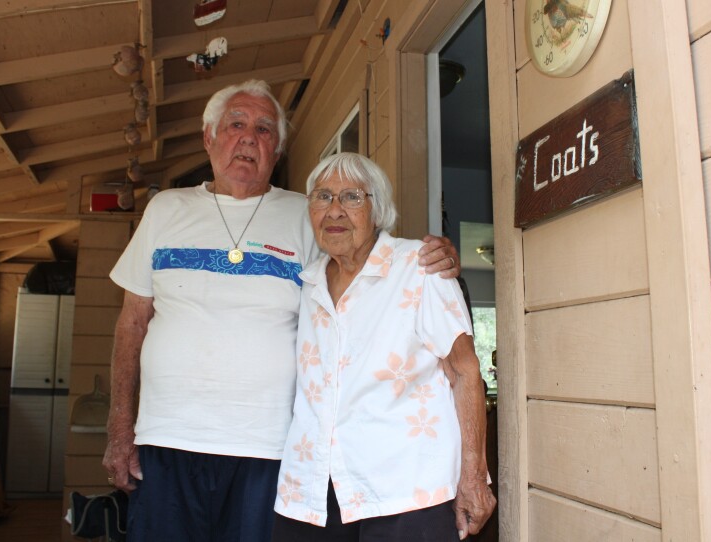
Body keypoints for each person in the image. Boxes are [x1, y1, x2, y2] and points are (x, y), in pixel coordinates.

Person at [103, 80, 461, 541]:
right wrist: (119, 427)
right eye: (236, 124)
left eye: (264, 129)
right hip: (167, 438)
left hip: (270, 445)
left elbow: (368, 255)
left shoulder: (307, 213)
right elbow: (131, 324)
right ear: (209, 138)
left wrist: (435, 254)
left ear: (278, 150)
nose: (249, 138)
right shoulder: (165, 209)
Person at [271, 153, 496, 541]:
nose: (335, 210)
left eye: (352, 197)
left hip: (407, 492)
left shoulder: (421, 268)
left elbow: (464, 371)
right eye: (322, 197)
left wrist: (474, 477)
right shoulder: (307, 283)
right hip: (312, 492)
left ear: (379, 210)